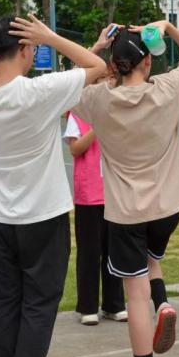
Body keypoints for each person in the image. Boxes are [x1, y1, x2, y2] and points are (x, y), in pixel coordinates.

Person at [0, 14, 105, 357]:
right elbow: (97, 66)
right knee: (39, 304)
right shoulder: (41, 91)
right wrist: (51, 36)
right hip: (43, 216)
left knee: (5, 301)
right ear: (25, 49)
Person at [73, 21, 179, 357]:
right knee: (152, 259)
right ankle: (163, 303)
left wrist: (97, 49)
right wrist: (169, 27)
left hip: (126, 211)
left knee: (134, 295)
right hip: (168, 206)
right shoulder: (167, 89)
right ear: (147, 61)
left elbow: (73, 83)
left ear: (115, 64)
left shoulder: (100, 100)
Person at [63, 49, 127, 326]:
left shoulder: (118, 110)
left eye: (110, 78)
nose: (106, 82)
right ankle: (88, 306)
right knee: (89, 252)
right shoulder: (79, 111)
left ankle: (114, 304)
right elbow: (75, 148)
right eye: (100, 78)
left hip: (114, 193)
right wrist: (97, 127)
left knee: (114, 252)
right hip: (88, 195)